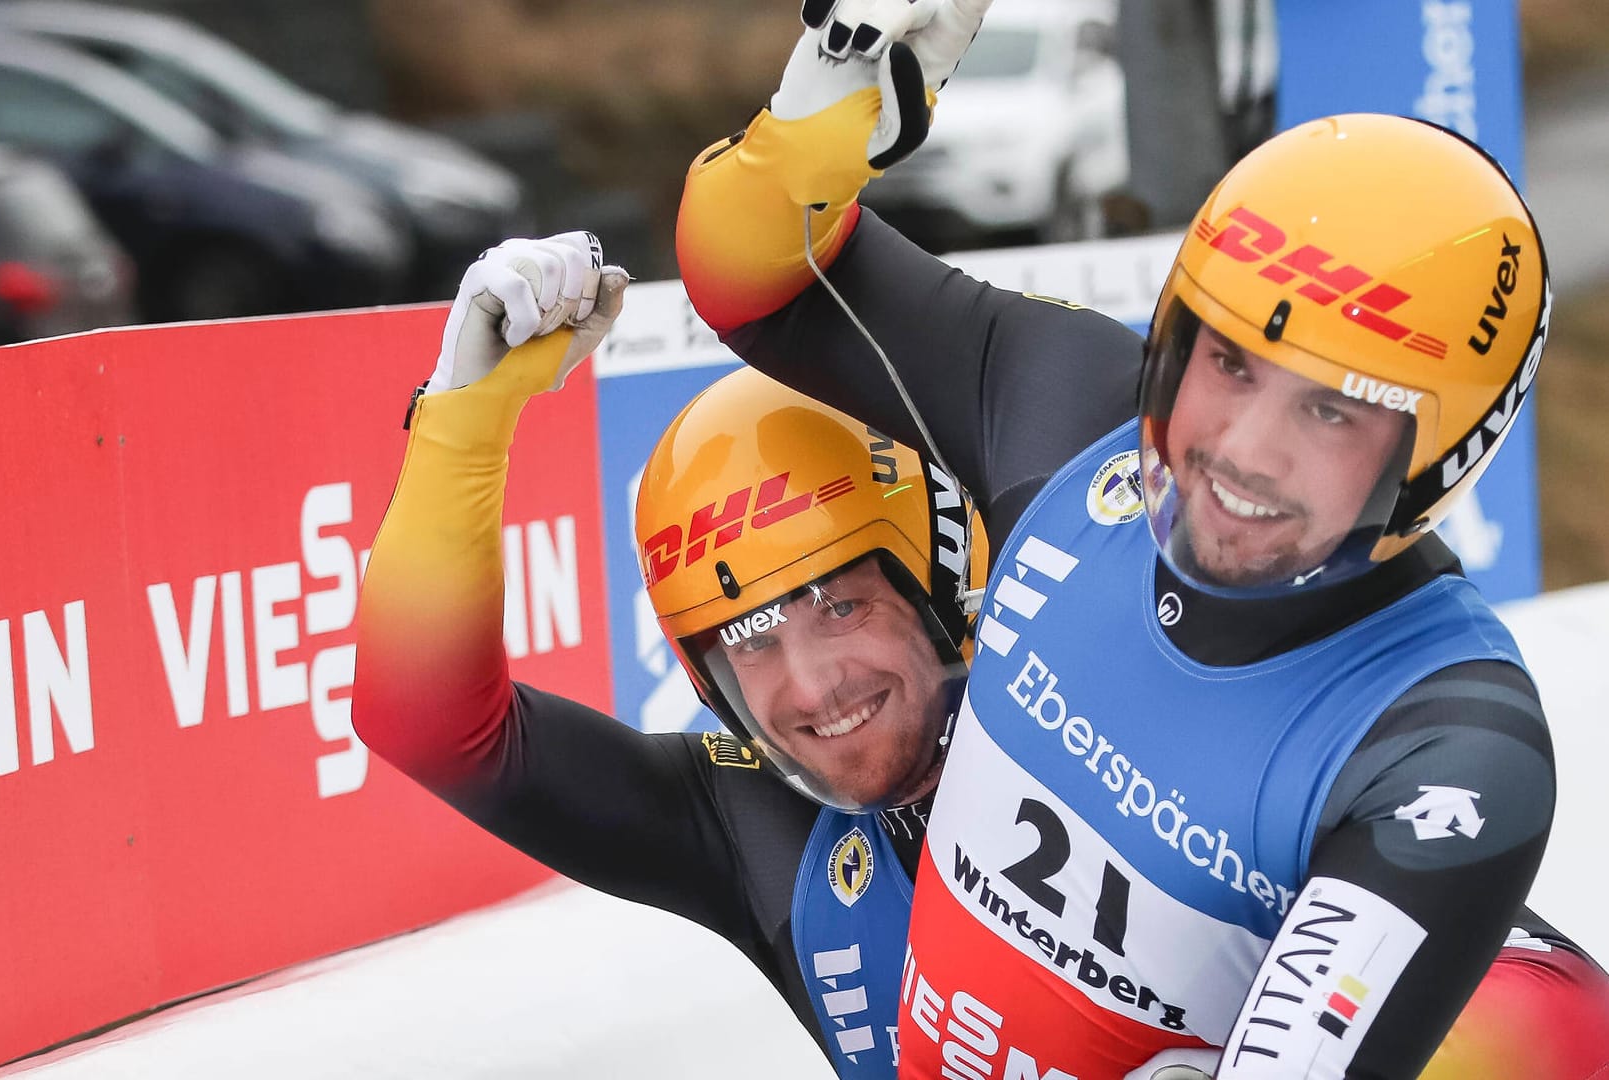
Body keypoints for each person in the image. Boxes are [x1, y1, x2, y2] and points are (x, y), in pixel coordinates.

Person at [671, 0, 1609, 1076]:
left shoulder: (1443, 747)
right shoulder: (1070, 409)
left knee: (1554, 1034)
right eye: (1229, 363)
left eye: (1333, 410)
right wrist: (829, 109)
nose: (1243, 452)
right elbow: (759, 280)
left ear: (1441, 457)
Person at [352, 231, 982, 1077]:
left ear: (937, 570)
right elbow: (423, 720)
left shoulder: (1100, 707)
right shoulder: (755, 823)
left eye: (838, 606)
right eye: (748, 642)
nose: (813, 689)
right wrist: (465, 425)